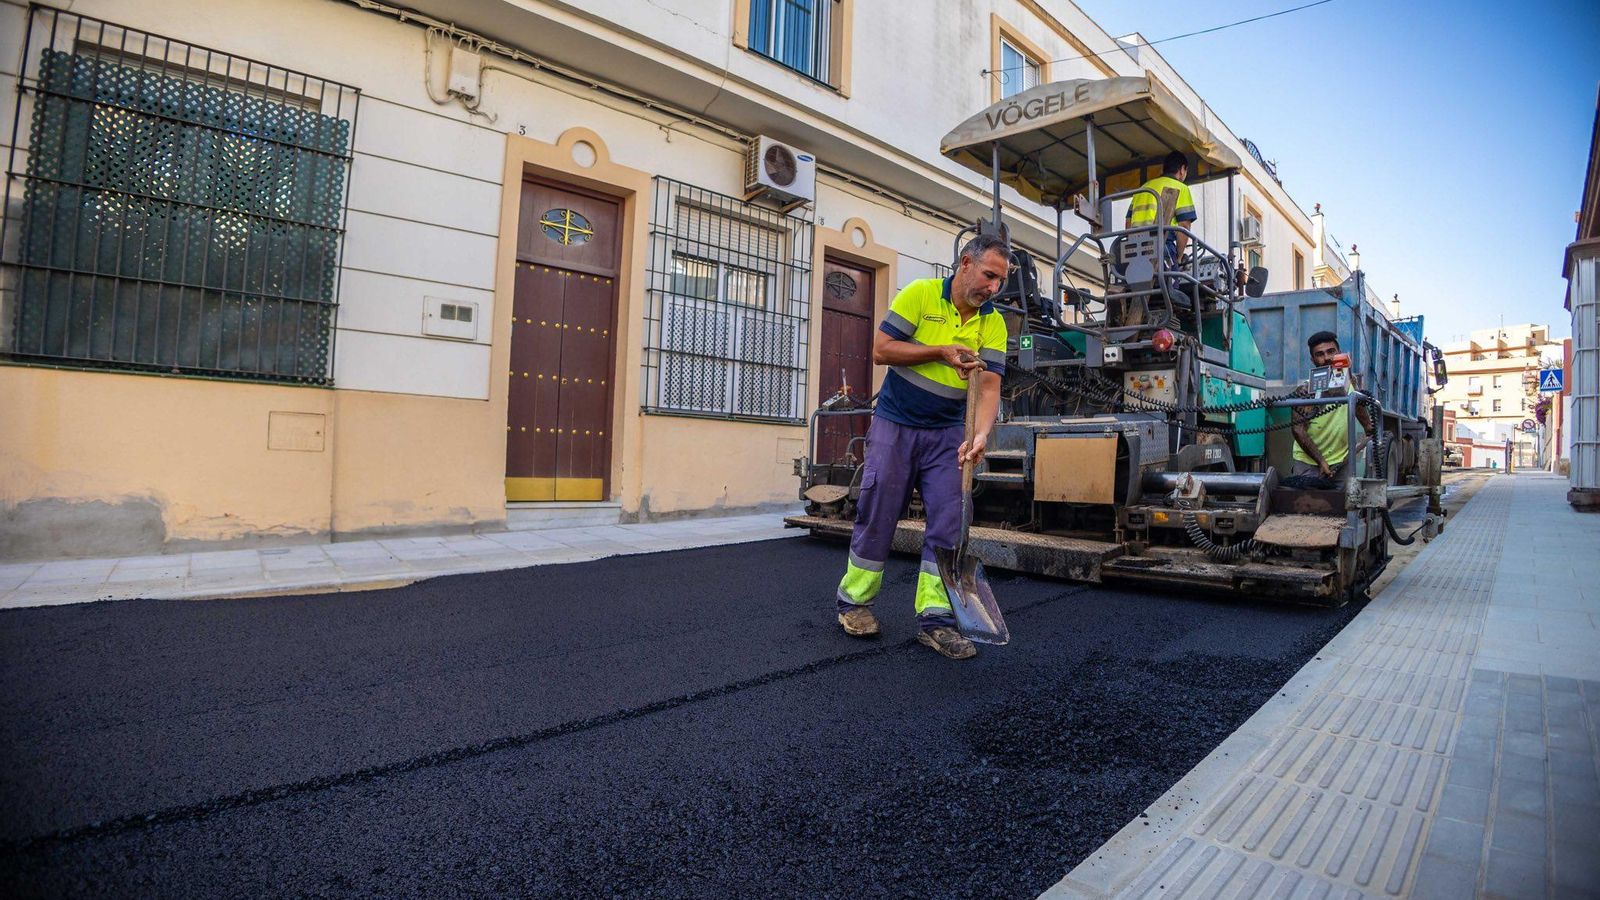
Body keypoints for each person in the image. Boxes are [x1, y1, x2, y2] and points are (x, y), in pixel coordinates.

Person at [833, 234, 1010, 660]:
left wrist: (981, 434)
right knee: (878, 511)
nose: (994, 288)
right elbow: (880, 350)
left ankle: (935, 620)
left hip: (949, 431)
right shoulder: (921, 294)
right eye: (989, 275)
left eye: (1001, 281)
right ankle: (854, 602)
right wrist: (939, 351)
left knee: (949, 521)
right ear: (965, 264)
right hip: (897, 424)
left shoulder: (993, 324)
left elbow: (989, 388)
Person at [1290, 331, 1375, 483]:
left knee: (1342, 504)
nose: (1327, 357)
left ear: (1339, 353)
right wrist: (1321, 461)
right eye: (1320, 354)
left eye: (1331, 351)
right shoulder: (1305, 391)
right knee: (1307, 504)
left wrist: (1368, 425)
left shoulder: (1350, 380)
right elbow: (1297, 430)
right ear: (1313, 359)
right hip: (1308, 462)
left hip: (1342, 460)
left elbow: (1357, 404)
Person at [1125, 150, 1197, 262]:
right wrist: (1178, 257)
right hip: (1162, 246)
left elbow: (1128, 221)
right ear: (1182, 169)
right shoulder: (1181, 188)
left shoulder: (1144, 188)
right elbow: (1184, 226)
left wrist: (1131, 246)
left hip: (1135, 248)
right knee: (1171, 278)